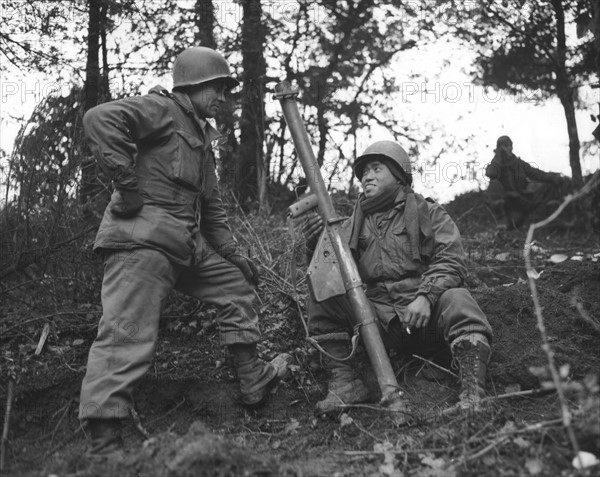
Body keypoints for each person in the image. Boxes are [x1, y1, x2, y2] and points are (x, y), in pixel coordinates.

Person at [79, 46, 288, 457]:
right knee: (127, 334)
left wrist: (233, 254)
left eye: (226, 91)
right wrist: (125, 182)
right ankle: (104, 444)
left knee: (235, 284)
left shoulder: (201, 137)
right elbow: (99, 119)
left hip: (183, 245)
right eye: (216, 88)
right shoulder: (161, 109)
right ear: (191, 84)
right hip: (142, 242)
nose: (223, 99)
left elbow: (211, 207)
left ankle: (252, 379)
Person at [302, 140, 493, 416]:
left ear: (399, 173)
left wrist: (426, 297)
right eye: (364, 172)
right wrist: (314, 244)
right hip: (379, 327)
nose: (367, 176)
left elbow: (451, 260)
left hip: (426, 321)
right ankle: (345, 383)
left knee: (458, 299)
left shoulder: (428, 212)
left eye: (376, 168)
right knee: (323, 297)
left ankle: (473, 393)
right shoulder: (350, 226)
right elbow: (328, 277)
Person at [485, 135, 562, 229]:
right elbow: (491, 173)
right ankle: (502, 221)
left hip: (520, 202)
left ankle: (553, 221)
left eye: (510, 145)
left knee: (548, 185)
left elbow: (535, 173)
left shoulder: (518, 163)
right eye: (506, 146)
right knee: (494, 183)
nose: (509, 148)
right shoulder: (496, 164)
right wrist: (498, 156)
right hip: (508, 205)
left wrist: (552, 176)